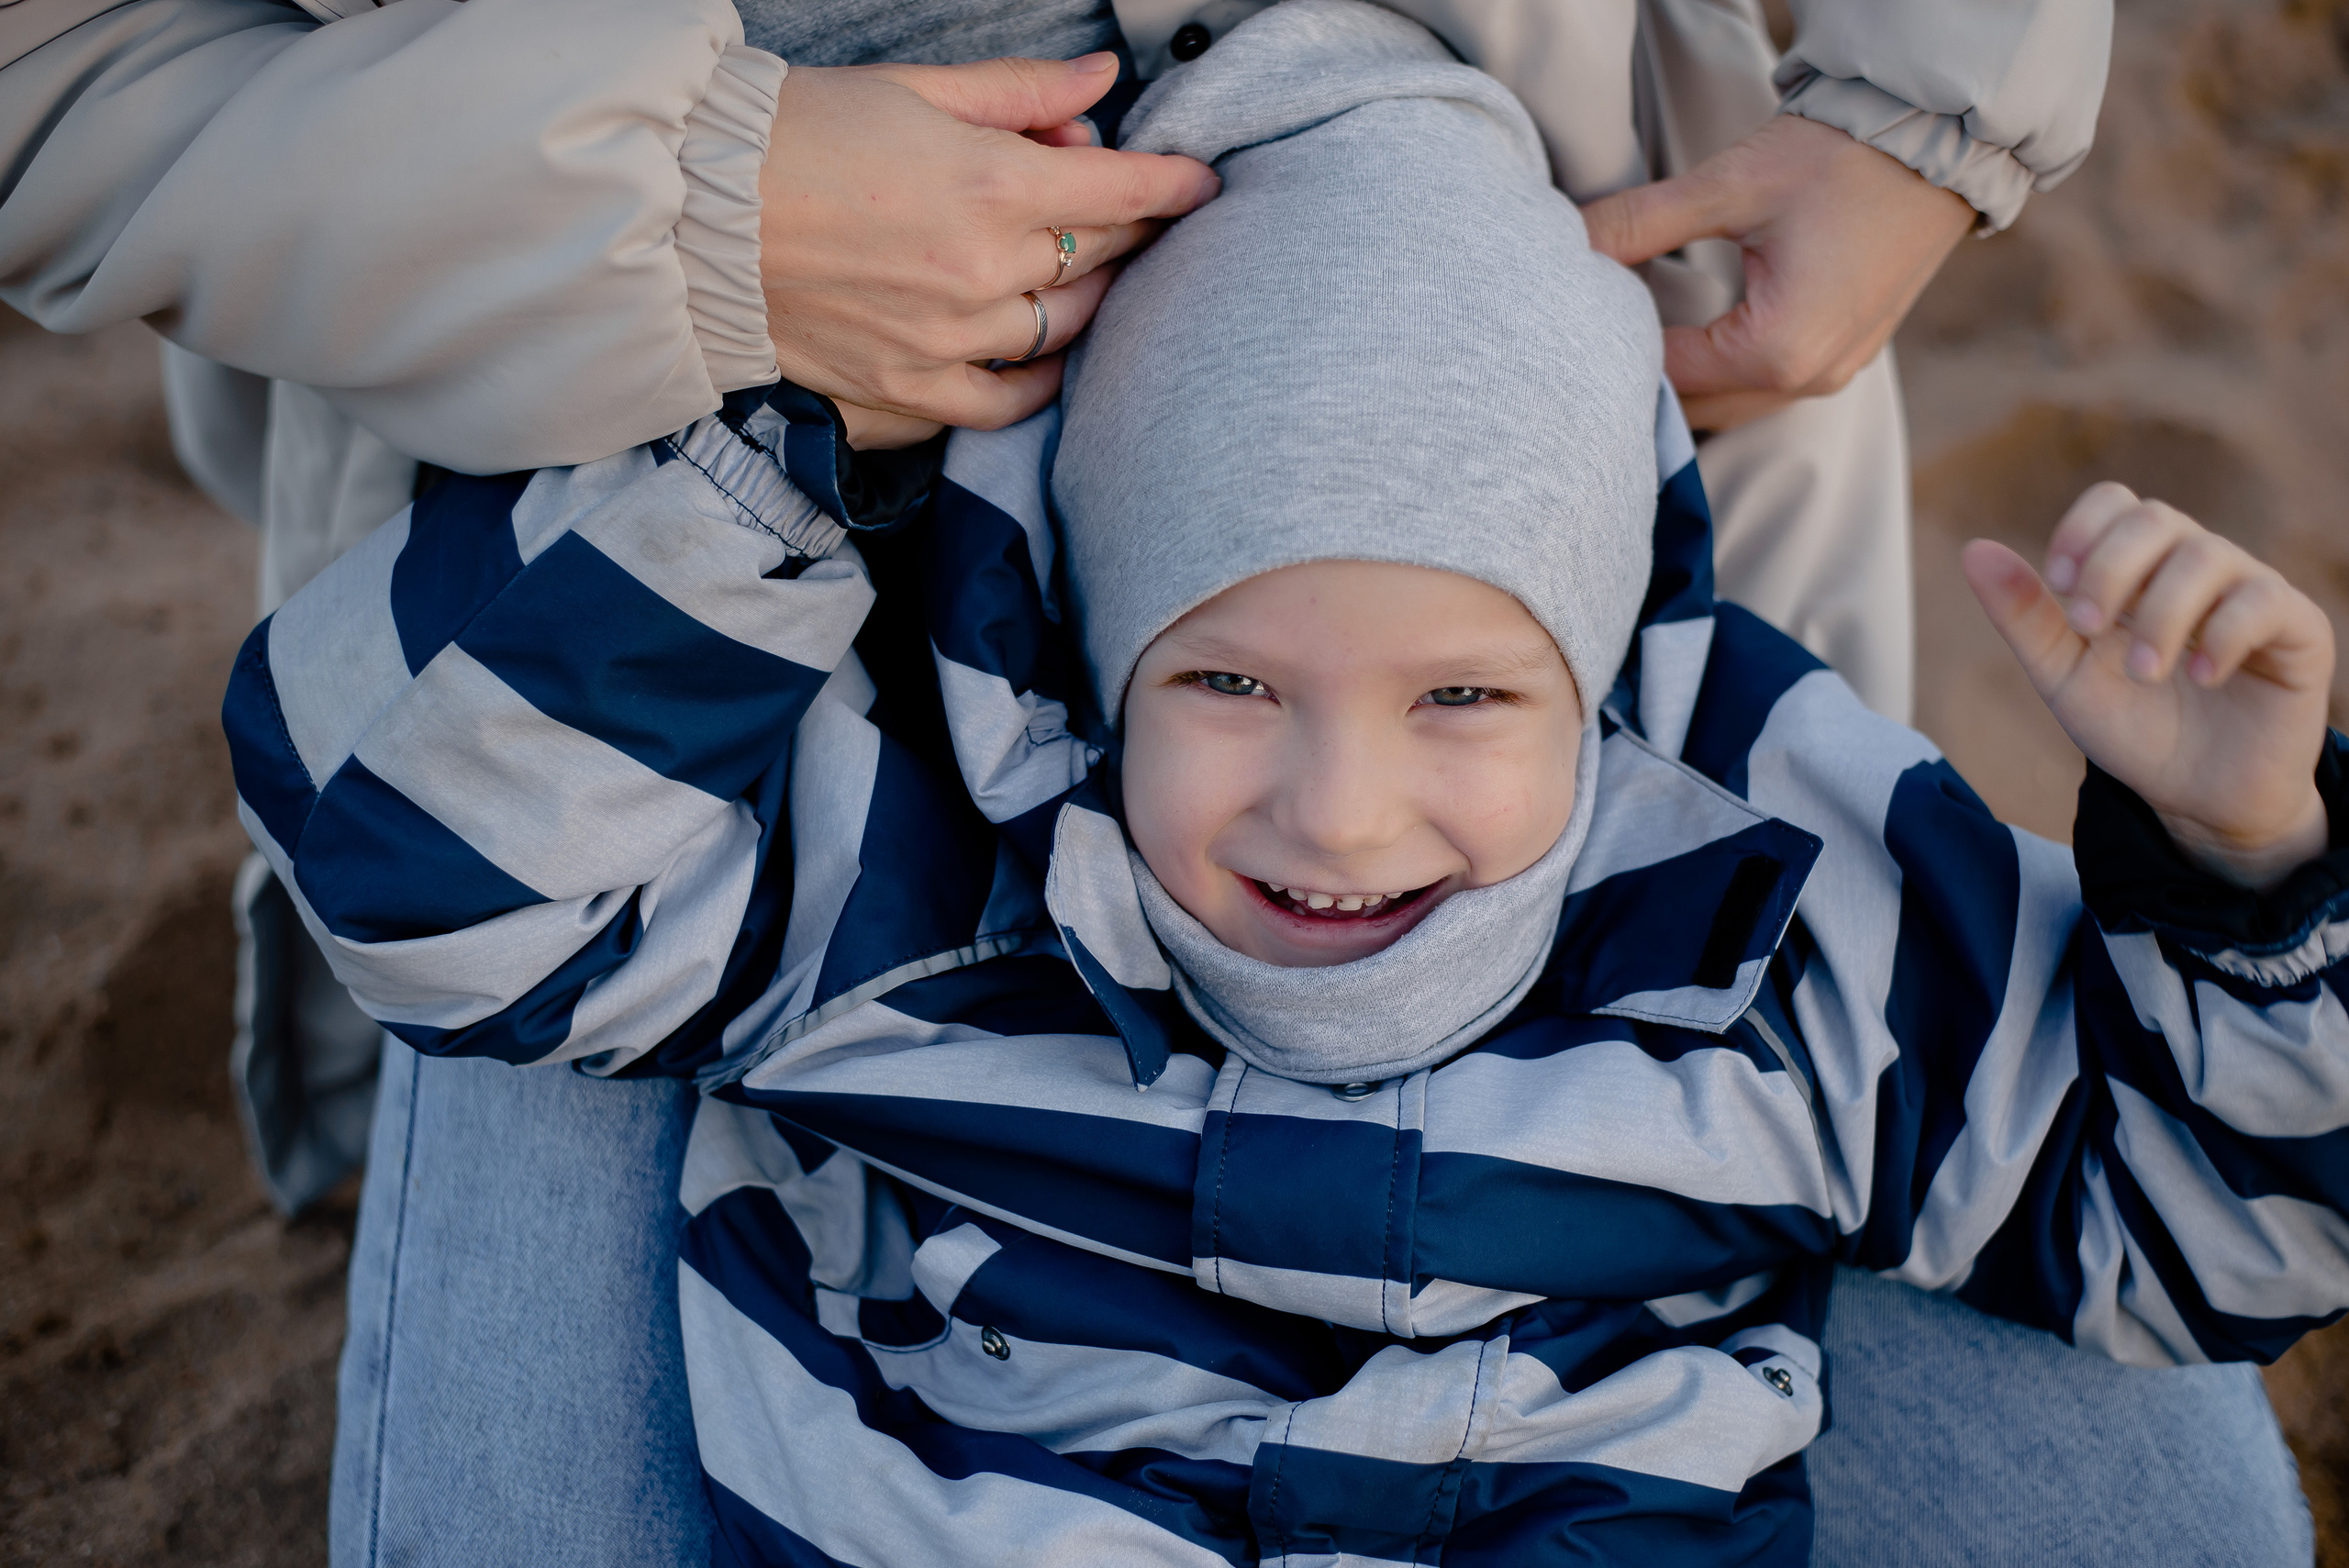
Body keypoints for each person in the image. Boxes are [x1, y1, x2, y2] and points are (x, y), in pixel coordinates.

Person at [223, 6, 2332, 1562]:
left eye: (1463, 698)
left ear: (1595, 668)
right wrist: (752, 475)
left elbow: (2201, 1239)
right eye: (1224, 679)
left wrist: (2247, 868)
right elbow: (434, 883)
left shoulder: (1766, 944)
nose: (1336, 814)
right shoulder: (922, 897)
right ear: (1087, 654)